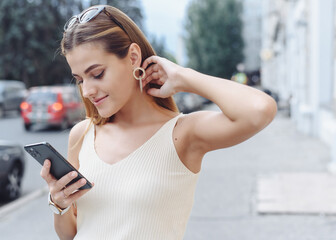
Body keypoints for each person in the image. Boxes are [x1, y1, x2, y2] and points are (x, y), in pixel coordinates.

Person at [40, 5, 277, 240]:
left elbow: (259, 109)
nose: (88, 91)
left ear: (133, 57)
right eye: (80, 79)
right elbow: (69, 235)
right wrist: (58, 204)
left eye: (97, 73)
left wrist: (183, 77)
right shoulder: (81, 135)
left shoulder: (181, 135)